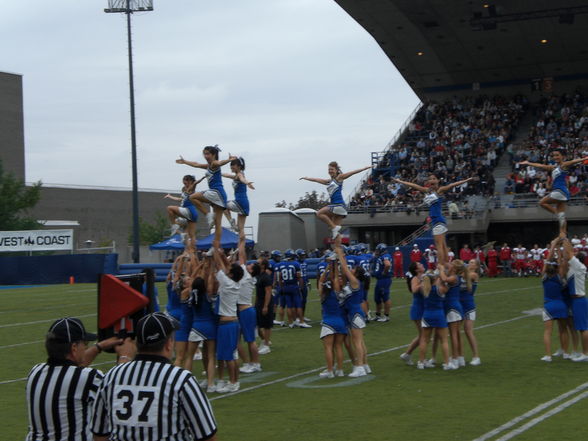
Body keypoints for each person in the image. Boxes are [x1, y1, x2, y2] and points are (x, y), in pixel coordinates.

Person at [91, 312, 217, 441]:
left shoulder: (111, 376)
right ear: (168, 344)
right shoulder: (181, 379)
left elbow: (99, 434)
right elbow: (207, 435)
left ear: (137, 343)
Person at [26, 318, 134, 441]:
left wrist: (98, 347)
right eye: (85, 344)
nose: (85, 348)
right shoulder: (89, 378)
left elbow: (69, 371)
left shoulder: (35, 372)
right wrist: (125, 356)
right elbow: (118, 389)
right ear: (74, 348)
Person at [392, 174, 473, 265]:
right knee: (443, 245)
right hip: (437, 221)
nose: (432, 180)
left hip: (438, 220)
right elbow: (413, 185)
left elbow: (452, 185)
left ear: (438, 181)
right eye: (430, 179)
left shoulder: (440, 190)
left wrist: (467, 180)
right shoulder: (427, 191)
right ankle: (447, 265)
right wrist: (399, 181)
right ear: (428, 182)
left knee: (439, 246)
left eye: (434, 178)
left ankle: (441, 266)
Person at [176, 145, 237, 248]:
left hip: (216, 192)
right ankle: (216, 247)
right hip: (219, 195)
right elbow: (196, 164)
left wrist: (228, 160)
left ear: (213, 155)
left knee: (192, 197)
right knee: (217, 224)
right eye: (204, 154)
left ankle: (208, 214)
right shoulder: (208, 166)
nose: (205, 156)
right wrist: (185, 161)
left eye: (208, 154)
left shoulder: (214, 163)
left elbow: (220, 162)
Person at [519, 149, 588, 234]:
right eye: (554, 155)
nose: (555, 157)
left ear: (563, 156)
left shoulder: (564, 165)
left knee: (542, 203)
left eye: (557, 155)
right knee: (562, 216)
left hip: (560, 191)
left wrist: (585, 158)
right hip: (562, 193)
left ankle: (556, 213)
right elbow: (540, 165)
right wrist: (528, 163)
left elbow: (573, 161)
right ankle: (563, 234)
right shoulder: (554, 167)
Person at [300, 162, 371, 240]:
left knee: (319, 214)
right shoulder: (329, 181)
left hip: (338, 205)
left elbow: (352, 172)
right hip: (337, 207)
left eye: (332, 169)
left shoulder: (339, 177)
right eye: (329, 169)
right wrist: (307, 178)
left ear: (337, 170)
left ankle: (334, 228)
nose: (330, 171)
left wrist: (364, 168)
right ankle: (339, 249)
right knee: (335, 235)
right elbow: (317, 180)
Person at [333, 236, 370, 377]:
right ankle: (365, 365)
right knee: (360, 341)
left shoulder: (355, 282)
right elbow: (343, 272)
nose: (352, 269)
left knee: (357, 342)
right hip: (354, 313)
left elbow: (344, 268)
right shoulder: (354, 283)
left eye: (354, 269)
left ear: (357, 273)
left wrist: (340, 253)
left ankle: (359, 367)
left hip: (355, 313)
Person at [211, 245, 243, 392]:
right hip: (232, 322)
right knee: (231, 355)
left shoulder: (227, 282)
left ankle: (232, 382)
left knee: (228, 356)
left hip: (227, 324)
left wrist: (215, 250)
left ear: (231, 275)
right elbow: (227, 266)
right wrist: (223, 255)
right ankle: (233, 381)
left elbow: (218, 266)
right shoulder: (234, 282)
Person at [317, 255, 347, 378]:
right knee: (339, 346)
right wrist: (335, 265)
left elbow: (320, 280)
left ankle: (330, 371)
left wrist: (328, 267)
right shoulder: (338, 293)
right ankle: (340, 370)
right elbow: (335, 278)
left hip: (328, 322)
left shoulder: (322, 295)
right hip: (340, 322)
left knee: (328, 348)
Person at [539, 239, 569, 362]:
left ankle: (548, 355)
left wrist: (552, 246)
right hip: (561, 305)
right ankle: (566, 353)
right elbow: (561, 262)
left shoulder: (544, 277)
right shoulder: (559, 276)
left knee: (547, 332)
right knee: (563, 330)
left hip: (549, 306)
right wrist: (558, 248)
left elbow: (548, 260)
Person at [417, 273, 454, 370]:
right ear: (434, 280)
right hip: (439, 315)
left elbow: (423, 283)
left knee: (424, 340)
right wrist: (442, 280)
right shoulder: (440, 289)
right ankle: (447, 363)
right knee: (444, 340)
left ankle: (421, 362)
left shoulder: (423, 289)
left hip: (427, 315)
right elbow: (449, 286)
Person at [560, 237, 588, 362]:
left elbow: (569, 253)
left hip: (579, 300)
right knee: (581, 328)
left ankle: (585, 353)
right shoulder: (575, 268)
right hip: (576, 301)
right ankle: (583, 352)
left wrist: (565, 238)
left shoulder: (579, 266)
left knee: (583, 328)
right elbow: (566, 256)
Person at [438, 261, 469, 369]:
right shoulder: (455, 276)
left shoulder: (454, 277)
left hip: (452, 308)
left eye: (451, 264)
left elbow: (444, 279)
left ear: (454, 268)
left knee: (453, 335)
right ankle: (460, 358)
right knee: (457, 335)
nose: (449, 265)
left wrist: (441, 270)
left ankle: (455, 359)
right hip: (455, 307)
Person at [164, 174, 205, 241]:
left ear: (190, 182)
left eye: (186, 183)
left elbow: (195, 183)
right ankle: (189, 248)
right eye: (184, 183)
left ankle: (175, 225)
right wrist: (170, 196)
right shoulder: (184, 190)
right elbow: (180, 199)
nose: (185, 185)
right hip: (191, 215)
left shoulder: (192, 188)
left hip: (188, 210)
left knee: (169, 208)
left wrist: (202, 178)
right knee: (189, 237)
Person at [399, 262, 425, 366]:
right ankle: (421, 359)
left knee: (422, 335)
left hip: (424, 308)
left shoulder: (423, 276)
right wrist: (423, 282)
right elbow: (414, 290)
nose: (422, 265)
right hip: (418, 308)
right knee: (423, 335)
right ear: (416, 270)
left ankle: (407, 355)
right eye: (420, 265)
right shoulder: (415, 278)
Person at [222, 157, 255, 239]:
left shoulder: (240, 174)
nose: (231, 167)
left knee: (222, 204)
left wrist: (247, 183)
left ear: (239, 166)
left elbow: (242, 179)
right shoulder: (236, 175)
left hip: (240, 202)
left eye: (233, 166)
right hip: (244, 203)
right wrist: (218, 173)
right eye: (231, 166)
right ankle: (241, 248)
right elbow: (227, 175)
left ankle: (231, 222)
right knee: (240, 230)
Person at [460, 259, 481, 366]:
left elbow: (464, 276)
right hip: (459, 305)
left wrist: (460, 267)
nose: (470, 263)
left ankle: (476, 356)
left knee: (468, 331)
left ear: (476, 267)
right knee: (457, 332)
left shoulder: (473, 275)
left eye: (473, 263)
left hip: (469, 306)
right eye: (470, 262)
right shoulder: (464, 272)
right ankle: (460, 356)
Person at [255, 258, 274, 355]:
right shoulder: (258, 275)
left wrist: (266, 306)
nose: (256, 264)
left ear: (263, 265)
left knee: (266, 325)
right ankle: (264, 340)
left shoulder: (266, 277)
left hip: (265, 302)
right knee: (257, 325)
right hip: (259, 302)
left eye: (258, 263)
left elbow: (268, 292)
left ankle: (266, 345)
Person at [372, 243, 392, 322]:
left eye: (378, 250)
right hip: (380, 280)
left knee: (385, 297)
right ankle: (378, 315)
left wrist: (384, 272)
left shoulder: (385, 256)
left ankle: (386, 316)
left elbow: (387, 265)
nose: (376, 251)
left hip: (384, 279)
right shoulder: (380, 256)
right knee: (377, 298)